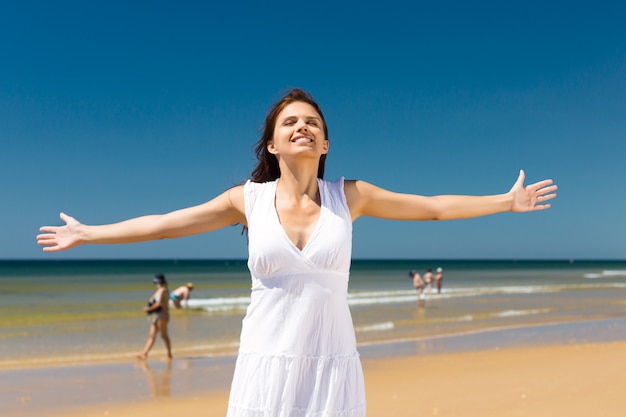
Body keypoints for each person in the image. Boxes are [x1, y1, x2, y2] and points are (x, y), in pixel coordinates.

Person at [37, 88, 557, 417]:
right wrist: (90, 233)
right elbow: (164, 227)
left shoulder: (350, 196)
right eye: (290, 123)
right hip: (266, 362)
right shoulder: (248, 200)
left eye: (312, 122)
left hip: (332, 363)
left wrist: (504, 202)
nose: (302, 127)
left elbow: (434, 208)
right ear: (272, 145)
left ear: (325, 144)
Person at [138, 273, 172, 361]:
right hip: (158, 316)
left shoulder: (163, 290)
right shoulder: (159, 290)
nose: (155, 284)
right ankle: (144, 354)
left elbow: (159, 303)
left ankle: (169, 354)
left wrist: (149, 309)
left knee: (164, 336)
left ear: (158, 282)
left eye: (156, 282)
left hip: (163, 316)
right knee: (151, 335)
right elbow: (153, 300)